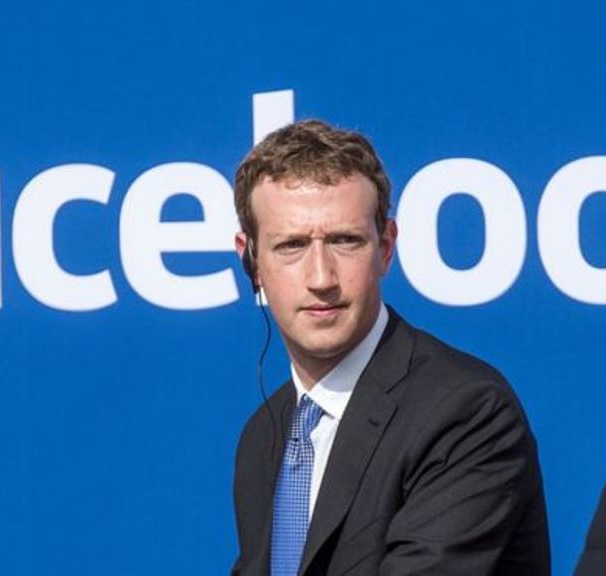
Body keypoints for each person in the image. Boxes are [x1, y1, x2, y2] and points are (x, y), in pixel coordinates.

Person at [230, 120, 550, 576]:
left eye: (345, 241)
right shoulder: (265, 433)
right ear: (251, 261)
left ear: (385, 247)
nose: (321, 278)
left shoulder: (467, 412)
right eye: (292, 245)